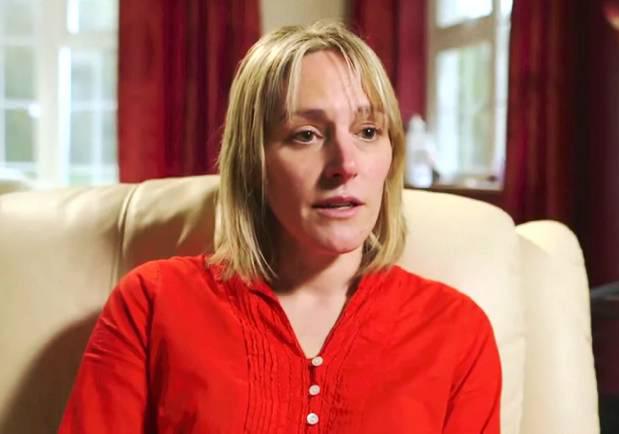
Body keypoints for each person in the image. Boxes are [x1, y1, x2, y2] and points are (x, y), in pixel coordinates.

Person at [57, 21, 501, 434]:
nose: (345, 164)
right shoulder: (152, 304)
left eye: (368, 131)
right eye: (306, 134)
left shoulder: (457, 331)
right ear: (253, 163)